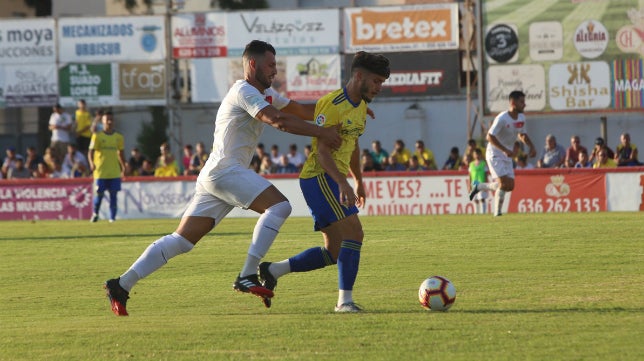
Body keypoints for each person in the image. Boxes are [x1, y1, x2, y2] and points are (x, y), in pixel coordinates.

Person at [103, 40, 342, 316]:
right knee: (279, 207)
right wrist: (322, 133)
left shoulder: (266, 94)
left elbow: (302, 111)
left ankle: (121, 284)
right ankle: (248, 274)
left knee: (181, 241)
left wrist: (345, 109)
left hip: (215, 174)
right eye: (271, 65)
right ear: (253, 65)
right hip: (226, 171)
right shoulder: (244, 90)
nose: (275, 70)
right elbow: (279, 121)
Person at [258, 51, 390, 313]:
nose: (378, 88)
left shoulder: (361, 105)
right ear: (359, 76)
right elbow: (322, 152)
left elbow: (353, 145)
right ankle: (345, 302)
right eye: (376, 81)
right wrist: (342, 183)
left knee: (335, 251)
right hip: (320, 177)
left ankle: (273, 270)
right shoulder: (332, 104)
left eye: (381, 83)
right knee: (355, 232)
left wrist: (358, 180)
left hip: (333, 179)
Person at [469, 90, 536, 217]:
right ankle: (497, 213)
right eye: (522, 102)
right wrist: (504, 149)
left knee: (510, 186)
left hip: (507, 154)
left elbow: (522, 134)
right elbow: (489, 136)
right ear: (513, 102)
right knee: (503, 183)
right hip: (494, 153)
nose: (524, 104)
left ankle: (479, 187)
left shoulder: (521, 118)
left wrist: (531, 146)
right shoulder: (502, 118)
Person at [88, 111, 126, 223]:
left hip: (114, 171)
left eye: (111, 119)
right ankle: (95, 214)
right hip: (100, 172)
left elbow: (121, 153)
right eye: (107, 119)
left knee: (113, 195)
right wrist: (91, 163)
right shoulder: (97, 136)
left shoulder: (119, 137)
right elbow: (90, 152)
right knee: (99, 195)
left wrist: (123, 166)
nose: (109, 122)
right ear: (103, 121)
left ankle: (112, 219)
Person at [467, 148, 488, 214]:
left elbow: (486, 175)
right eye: (475, 154)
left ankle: (483, 213)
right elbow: (469, 176)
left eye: (478, 154)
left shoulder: (483, 164)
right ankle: (477, 213)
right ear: (473, 155)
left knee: (482, 198)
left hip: (481, 183)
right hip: (474, 184)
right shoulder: (471, 164)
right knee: (475, 199)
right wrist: (469, 185)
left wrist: (486, 185)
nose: (477, 156)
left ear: (481, 155)